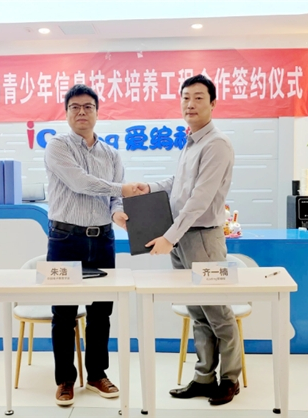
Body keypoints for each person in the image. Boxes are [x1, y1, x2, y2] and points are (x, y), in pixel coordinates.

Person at [139, 74, 241, 406]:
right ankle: (203, 377)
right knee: (197, 311)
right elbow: (179, 184)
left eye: (198, 98)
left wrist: (168, 237)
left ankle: (230, 379)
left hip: (203, 238)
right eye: (185, 98)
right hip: (183, 238)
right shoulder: (191, 141)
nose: (190, 104)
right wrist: (149, 188)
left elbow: (199, 200)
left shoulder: (216, 144)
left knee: (217, 312)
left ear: (213, 103)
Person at [44, 84, 141, 406]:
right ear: (66, 113)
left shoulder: (111, 154)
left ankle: (97, 374)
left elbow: (114, 197)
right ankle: (65, 380)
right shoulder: (57, 146)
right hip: (65, 239)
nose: (81, 112)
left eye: (88, 106)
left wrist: (117, 213)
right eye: (75, 107)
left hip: (102, 239)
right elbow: (80, 183)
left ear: (97, 112)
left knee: (102, 311)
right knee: (64, 313)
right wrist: (122, 189)